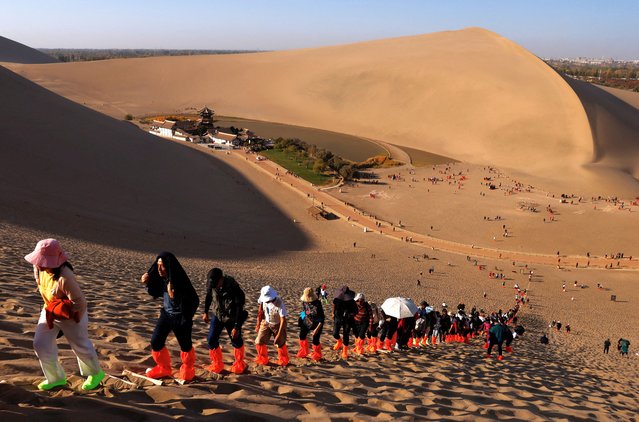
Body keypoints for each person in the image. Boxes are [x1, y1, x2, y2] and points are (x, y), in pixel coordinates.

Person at [26, 239, 105, 391]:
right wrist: (51, 312)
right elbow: (43, 289)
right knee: (40, 343)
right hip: (50, 310)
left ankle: (95, 373)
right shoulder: (37, 268)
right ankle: (55, 378)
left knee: (80, 344)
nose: (41, 264)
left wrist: (73, 320)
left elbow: (80, 302)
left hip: (71, 313)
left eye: (45, 261)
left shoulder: (65, 277)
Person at [141, 252, 199, 381]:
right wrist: (146, 284)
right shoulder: (162, 279)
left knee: (185, 346)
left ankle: (188, 370)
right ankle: (163, 368)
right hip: (166, 314)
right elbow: (155, 292)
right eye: (158, 266)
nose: (159, 269)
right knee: (156, 342)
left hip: (181, 318)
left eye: (162, 266)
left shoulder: (180, 281)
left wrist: (176, 297)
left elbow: (195, 300)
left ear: (169, 267)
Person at [202, 268, 247, 374]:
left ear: (221, 279)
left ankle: (239, 363)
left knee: (236, 340)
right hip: (218, 315)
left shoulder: (233, 288)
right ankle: (217, 364)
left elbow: (239, 308)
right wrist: (205, 311)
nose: (215, 287)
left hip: (232, 318)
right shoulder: (211, 284)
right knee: (211, 339)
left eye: (217, 284)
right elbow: (208, 296)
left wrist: (237, 326)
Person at [255, 285, 289, 366]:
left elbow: (283, 320)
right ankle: (263, 359)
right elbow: (260, 311)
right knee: (259, 341)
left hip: (277, 324)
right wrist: (258, 323)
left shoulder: (279, 303)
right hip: (266, 322)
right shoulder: (263, 300)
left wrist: (278, 335)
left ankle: (283, 360)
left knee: (280, 343)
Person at [296, 287, 325, 361]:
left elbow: (322, 318)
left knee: (315, 340)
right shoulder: (304, 301)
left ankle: (317, 354)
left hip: (317, 323)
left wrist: (316, 329)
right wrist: (301, 319)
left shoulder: (317, 304)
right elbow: (304, 311)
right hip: (307, 320)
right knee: (302, 336)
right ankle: (304, 351)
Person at [332, 286, 357, 359]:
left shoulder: (352, 301)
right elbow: (334, 304)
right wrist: (332, 313)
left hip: (348, 320)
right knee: (335, 333)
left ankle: (344, 351)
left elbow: (356, 311)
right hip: (338, 317)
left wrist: (350, 314)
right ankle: (339, 341)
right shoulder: (337, 299)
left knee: (346, 334)